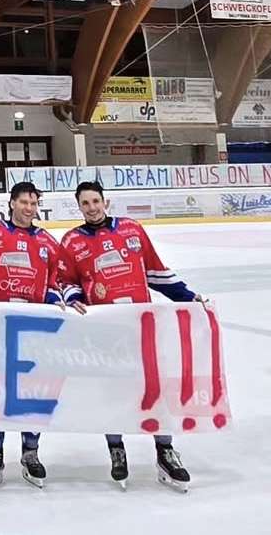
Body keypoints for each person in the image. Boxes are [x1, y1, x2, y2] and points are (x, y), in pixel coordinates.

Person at [59, 181, 207, 492]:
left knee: (154, 388)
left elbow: (156, 273)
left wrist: (189, 296)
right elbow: (66, 280)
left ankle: (165, 451)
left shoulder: (131, 229)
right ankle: (116, 449)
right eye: (85, 203)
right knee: (111, 390)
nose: (91, 208)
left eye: (95, 201)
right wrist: (75, 297)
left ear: (105, 202)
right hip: (104, 330)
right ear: (79, 207)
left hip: (142, 327)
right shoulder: (72, 241)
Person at [0, 181, 80, 490]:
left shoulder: (48, 242)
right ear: (12, 202)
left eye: (34, 203)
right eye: (24, 202)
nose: (29, 208)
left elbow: (54, 283)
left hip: (33, 329)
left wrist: (56, 300)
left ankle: (30, 453)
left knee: (32, 392)